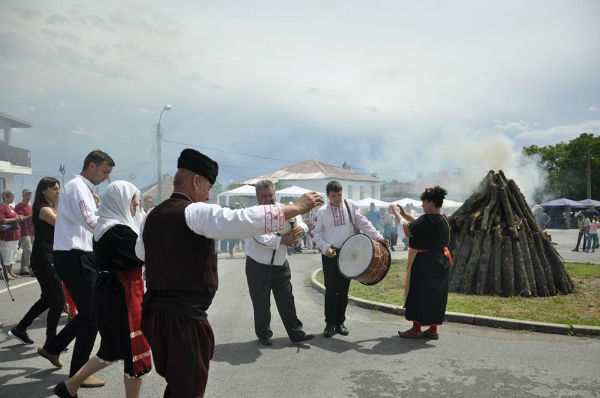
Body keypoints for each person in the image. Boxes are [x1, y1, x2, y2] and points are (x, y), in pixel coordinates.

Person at [137, 149, 323, 398]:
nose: (208, 195)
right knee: (188, 390)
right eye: (207, 187)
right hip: (183, 322)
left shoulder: (151, 216)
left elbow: (140, 254)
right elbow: (240, 220)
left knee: (177, 385)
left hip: (155, 318)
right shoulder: (193, 212)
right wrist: (297, 207)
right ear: (195, 181)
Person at [54, 181, 151, 398]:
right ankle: (70, 386)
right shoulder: (116, 231)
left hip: (114, 293)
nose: (136, 207)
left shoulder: (108, 225)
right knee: (132, 353)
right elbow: (136, 258)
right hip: (121, 296)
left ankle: (69, 386)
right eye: (134, 203)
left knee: (112, 349)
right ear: (121, 202)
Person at [37, 150, 114, 389]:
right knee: (92, 316)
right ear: (91, 166)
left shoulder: (84, 188)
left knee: (90, 313)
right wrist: (114, 237)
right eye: (104, 171)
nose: (105, 177)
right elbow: (90, 221)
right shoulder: (77, 187)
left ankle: (53, 348)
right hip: (74, 256)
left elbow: (91, 220)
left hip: (81, 255)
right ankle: (78, 374)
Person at [312, 181, 388, 338]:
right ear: (328, 195)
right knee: (331, 291)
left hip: (349, 254)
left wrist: (379, 237)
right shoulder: (321, 212)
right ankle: (329, 324)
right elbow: (316, 234)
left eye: (339, 195)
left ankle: (340, 322)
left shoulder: (350, 205)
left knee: (343, 290)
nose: (337, 198)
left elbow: (364, 223)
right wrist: (326, 248)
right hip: (330, 254)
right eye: (333, 196)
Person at [244, 180, 314, 346]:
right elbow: (259, 238)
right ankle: (264, 334)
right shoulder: (252, 213)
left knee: (287, 299)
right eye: (265, 196)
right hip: (257, 266)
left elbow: (302, 222)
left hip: (281, 264)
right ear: (258, 197)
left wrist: (301, 229)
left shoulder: (284, 209)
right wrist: (282, 240)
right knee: (261, 302)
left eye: (271, 195)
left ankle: (296, 333)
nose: (269, 199)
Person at [390, 186, 452, 340]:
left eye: (424, 202)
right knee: (435, 295)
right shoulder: (442, 217)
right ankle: (432, 329)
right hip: (440, 262)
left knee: (418, 294)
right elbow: (418, 224)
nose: (422, 205)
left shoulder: (427, 219)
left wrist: (396, 213)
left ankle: (416, 328)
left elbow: (406, 229)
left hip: (424, 263)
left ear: (431, 203)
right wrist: (405, 214)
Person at [8, 178, 63, 346]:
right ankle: (51, 342)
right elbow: (61, 224)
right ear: (44, 190)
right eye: (54, 189)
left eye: (58, 189)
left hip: (48, 256)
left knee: (47, 299)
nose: (57, 192)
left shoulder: (50, 207)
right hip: (43, 258)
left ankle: (20, 329)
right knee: (59, 300)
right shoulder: (43, 208)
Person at [0, 189, 22, 280]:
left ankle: (10, 271)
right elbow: (1, 220)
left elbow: (15, 217)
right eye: (11, 196)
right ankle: (5, 273)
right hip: (7, 236)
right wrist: (14, 219)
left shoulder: (11, 208)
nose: (13, 198)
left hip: (15, 235)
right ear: (5, 197)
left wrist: (19, 218)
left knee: (13, 254)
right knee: (7, 254)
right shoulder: (1, 207)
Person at [15, 189, 34, 276]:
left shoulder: (31, 206)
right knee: (29, 250)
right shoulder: (19, 206)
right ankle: (32, 270)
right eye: (26, 194)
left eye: (29, 195)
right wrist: (30, 216)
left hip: (32, 231)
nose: (28, 196)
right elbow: (20, 218)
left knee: (27, 251)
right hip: (24, 231)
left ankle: (23, 269)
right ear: (22, 195)